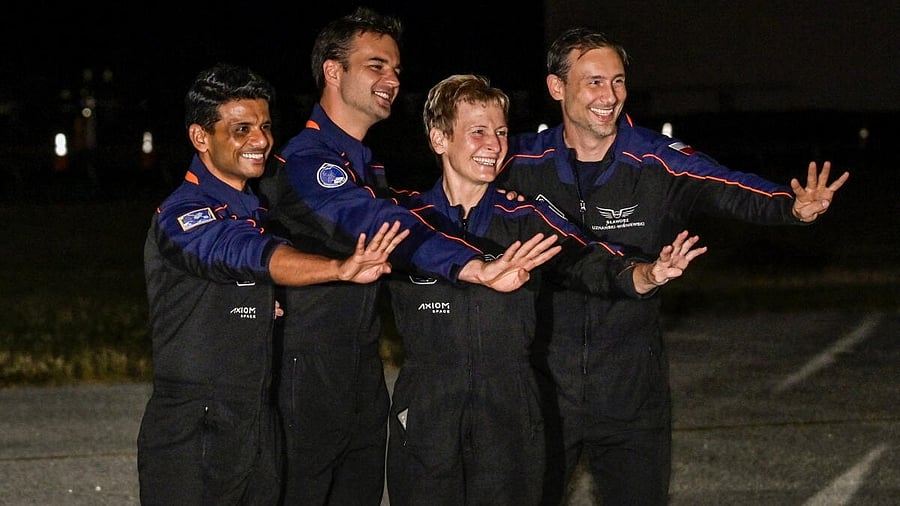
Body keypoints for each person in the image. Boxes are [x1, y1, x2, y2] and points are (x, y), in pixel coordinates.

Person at [495, 28, 851, 505]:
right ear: (557, 88)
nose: (611, 96)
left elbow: (729, 186)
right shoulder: (516, 160)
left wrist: (791, 206)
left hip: (631, 391)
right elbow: (455, 190)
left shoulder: (658, 161)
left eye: (618, 82)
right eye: (594, 82)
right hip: (540, 387)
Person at [255, 8, 560, 505]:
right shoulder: (309, 161)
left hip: (359, 369)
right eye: (376, 65)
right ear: (334, 71)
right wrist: (473, 266)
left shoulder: (364, 164)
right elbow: (380, 226)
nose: (392, 79)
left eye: (396, 69)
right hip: (306, 371)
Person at [384, 74, 706, 506]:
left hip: (510, 410)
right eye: (477, 131)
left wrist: (645, 274)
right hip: (427, 407)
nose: (494, 144)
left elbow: (589, 259)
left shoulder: (525, 218)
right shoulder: (403, 218)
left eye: (500, 132)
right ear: (440, 138)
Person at [137, 63, 410, 506]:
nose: (260, 140)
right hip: (195, 426)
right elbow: (244, 252)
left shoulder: (258, 210)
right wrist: (338, 269)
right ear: (200, 137)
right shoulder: (184, 213)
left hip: (261, 419)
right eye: (241, 129)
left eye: (264, 126)